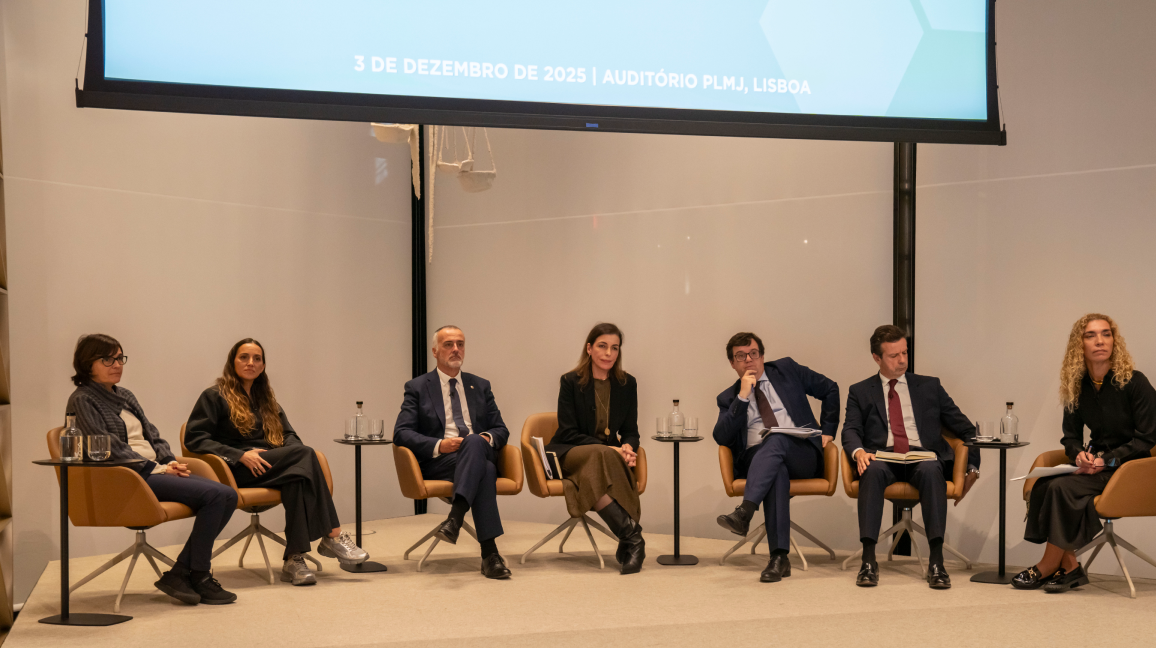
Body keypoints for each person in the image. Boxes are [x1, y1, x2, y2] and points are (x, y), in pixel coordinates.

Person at [66, 334, 239, 605]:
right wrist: (155, 469)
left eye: (119, 358)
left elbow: (152, 434)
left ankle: (181, 573)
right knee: (218, 495)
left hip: (153, 470)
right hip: (128, 477)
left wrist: (169, 461)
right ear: (88, 364)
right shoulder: (83, 399)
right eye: (107, 359)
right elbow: (107, 447)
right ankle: (198, 574)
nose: (117, 365)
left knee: (227, 494)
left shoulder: (125, 395)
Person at [185, 338, 368, 586]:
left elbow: (289, 435)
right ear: (232, 362)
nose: (251, 362)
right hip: (235, 470)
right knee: (304, 456)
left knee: (298, 475)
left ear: (263, 366)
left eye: (257, 358)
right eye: (244, 357)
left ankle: (294, 558)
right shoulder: (214, 396)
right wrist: (240, 455)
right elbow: (195, 439)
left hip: (269, 467)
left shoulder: (267, 400)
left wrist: (291, 455)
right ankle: (332, 535)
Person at [1014, 314, 1156, 593]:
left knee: (1062, 489)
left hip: (1130, 469)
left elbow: (1148, 438)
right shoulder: (1077, 385)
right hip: (1096, 466)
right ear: (1079, 345)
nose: (1100, 341)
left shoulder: (1135, 382)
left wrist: (1107, 460)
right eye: (1091, 335)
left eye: (1106, 334)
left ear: (1114, 341)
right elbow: (1070, 436)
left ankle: (1048, 565)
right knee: (1044, 485)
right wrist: (1079, 455)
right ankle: (1070, 567)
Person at [841, 324, 980, 590]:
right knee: (871, 470)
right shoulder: (860, 391)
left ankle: (936, 562)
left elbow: (966, 429)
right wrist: (859, 452)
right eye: (894, 356)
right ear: (876, 358)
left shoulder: (929, 386)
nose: (902, 360)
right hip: (883, 457)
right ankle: (868, 561)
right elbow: (850, 429)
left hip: (922, 456)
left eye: (904, 353)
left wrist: (972, 467)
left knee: (930, 469)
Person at [712, 332, 839, 583]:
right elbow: (721, 436)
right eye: (741, 356)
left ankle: (745, 512)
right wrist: (742, 397)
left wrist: (828, 430)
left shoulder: (787, 370)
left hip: (801, 454)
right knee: (776, 469)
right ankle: (779, 558)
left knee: (777, 438)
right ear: (733, 363)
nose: (749, 360)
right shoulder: (729, 398)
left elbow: (830, 389)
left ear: (762, 356)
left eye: (753, 353)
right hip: (756, 460)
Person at [392, 325, 513, 579]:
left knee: (474, 442)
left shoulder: (480, 386)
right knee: (486, 469)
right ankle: (490, 554)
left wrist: (484, 438)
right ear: (435, 351)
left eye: (460, 344)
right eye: (448, 344)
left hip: (476, 450)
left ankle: (455, 519)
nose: (456, 349)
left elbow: (501, 429)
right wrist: (439, 445)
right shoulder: (417, 387)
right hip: (442, 461)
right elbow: (401, 433)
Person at [547, 323, 645, 575]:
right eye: (602, 346)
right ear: (589, 348)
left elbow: (631, 431)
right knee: (601, 455)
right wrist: (612, 450)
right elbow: (567, 431)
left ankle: (630, 538)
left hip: (603, 460)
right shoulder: (570, 381)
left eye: (615, 348)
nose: (609, 353)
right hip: (570, 451)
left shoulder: (627, 384)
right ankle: (633, 537)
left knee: (596, 470)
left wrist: (628, 446)